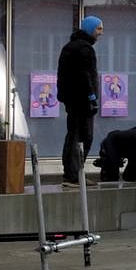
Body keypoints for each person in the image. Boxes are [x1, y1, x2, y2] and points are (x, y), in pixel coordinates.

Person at [57, 15, 103, 188]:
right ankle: (74, 175)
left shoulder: (69, 47)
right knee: (84, 136)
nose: (101, 33)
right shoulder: (85, 49)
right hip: (82, 101)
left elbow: (63, 75)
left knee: (73, 134)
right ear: (90, 29)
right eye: (98, 28)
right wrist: (92, 97)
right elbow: (85, 75)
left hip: (72, 100)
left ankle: (72, 173)